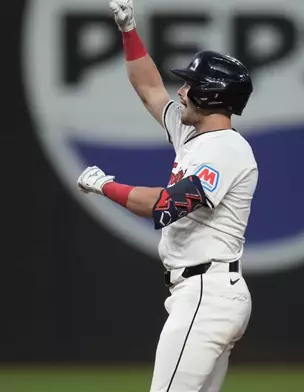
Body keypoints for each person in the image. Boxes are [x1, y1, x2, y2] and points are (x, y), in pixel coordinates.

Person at [76, 1, 258, 391]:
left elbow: (166, 206)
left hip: (207, 294)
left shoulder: (226, 149)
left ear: (210, 96)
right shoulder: (194, 135)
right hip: (204, 291)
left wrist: (104, 185)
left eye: (190, 85)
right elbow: (149, 89)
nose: (181, 90)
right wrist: (128, 30)